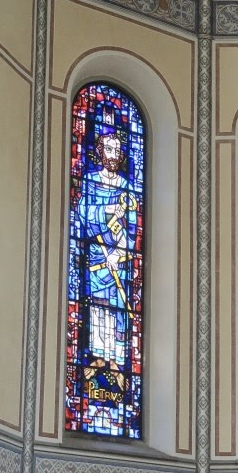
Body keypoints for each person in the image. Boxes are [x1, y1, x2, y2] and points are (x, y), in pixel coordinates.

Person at [83, 132, 138, 366]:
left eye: (117, 150)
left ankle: (115, 358)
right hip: (98, 254)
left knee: (117, 307)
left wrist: (119, 253)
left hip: (118, 258)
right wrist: (109, 209)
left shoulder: (126, 188)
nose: (113, 155)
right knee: (98, 304)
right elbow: (83, 212)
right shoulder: (90, 181)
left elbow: (133, 228)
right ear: (99, 152)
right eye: (108, 149)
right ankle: (98, 356)